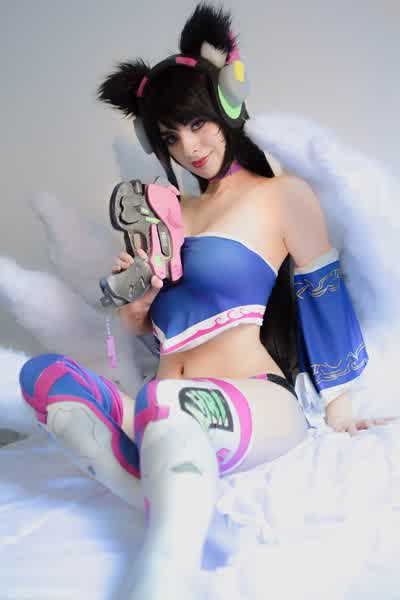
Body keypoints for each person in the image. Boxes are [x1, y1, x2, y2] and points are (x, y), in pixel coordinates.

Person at [17, 3, 395, 599]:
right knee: (43, 378)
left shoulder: (281, 195)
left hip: (253, 399)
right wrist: (137, 300)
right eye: (171, 137)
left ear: (226, 108)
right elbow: (145, 328)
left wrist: (340, 406)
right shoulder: (167, 215)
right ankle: (178, 495)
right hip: (165, 401)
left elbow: (321, 294)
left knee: (165, 404)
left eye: (196, 123)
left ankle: (162, 576)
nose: (189, 146)